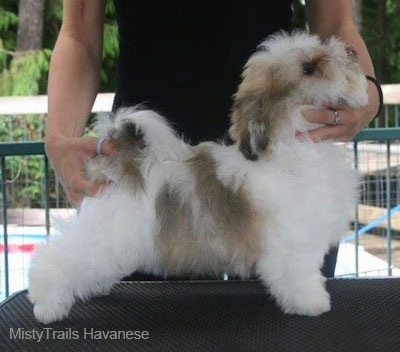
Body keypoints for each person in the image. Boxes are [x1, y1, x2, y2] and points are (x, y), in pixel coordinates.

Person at [45, 0, 381, 278]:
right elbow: (79, 34)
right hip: (149, 176)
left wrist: (368, 94)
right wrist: (58, 138)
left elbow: (337, 23)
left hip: (284, 168)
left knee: (286, 326)